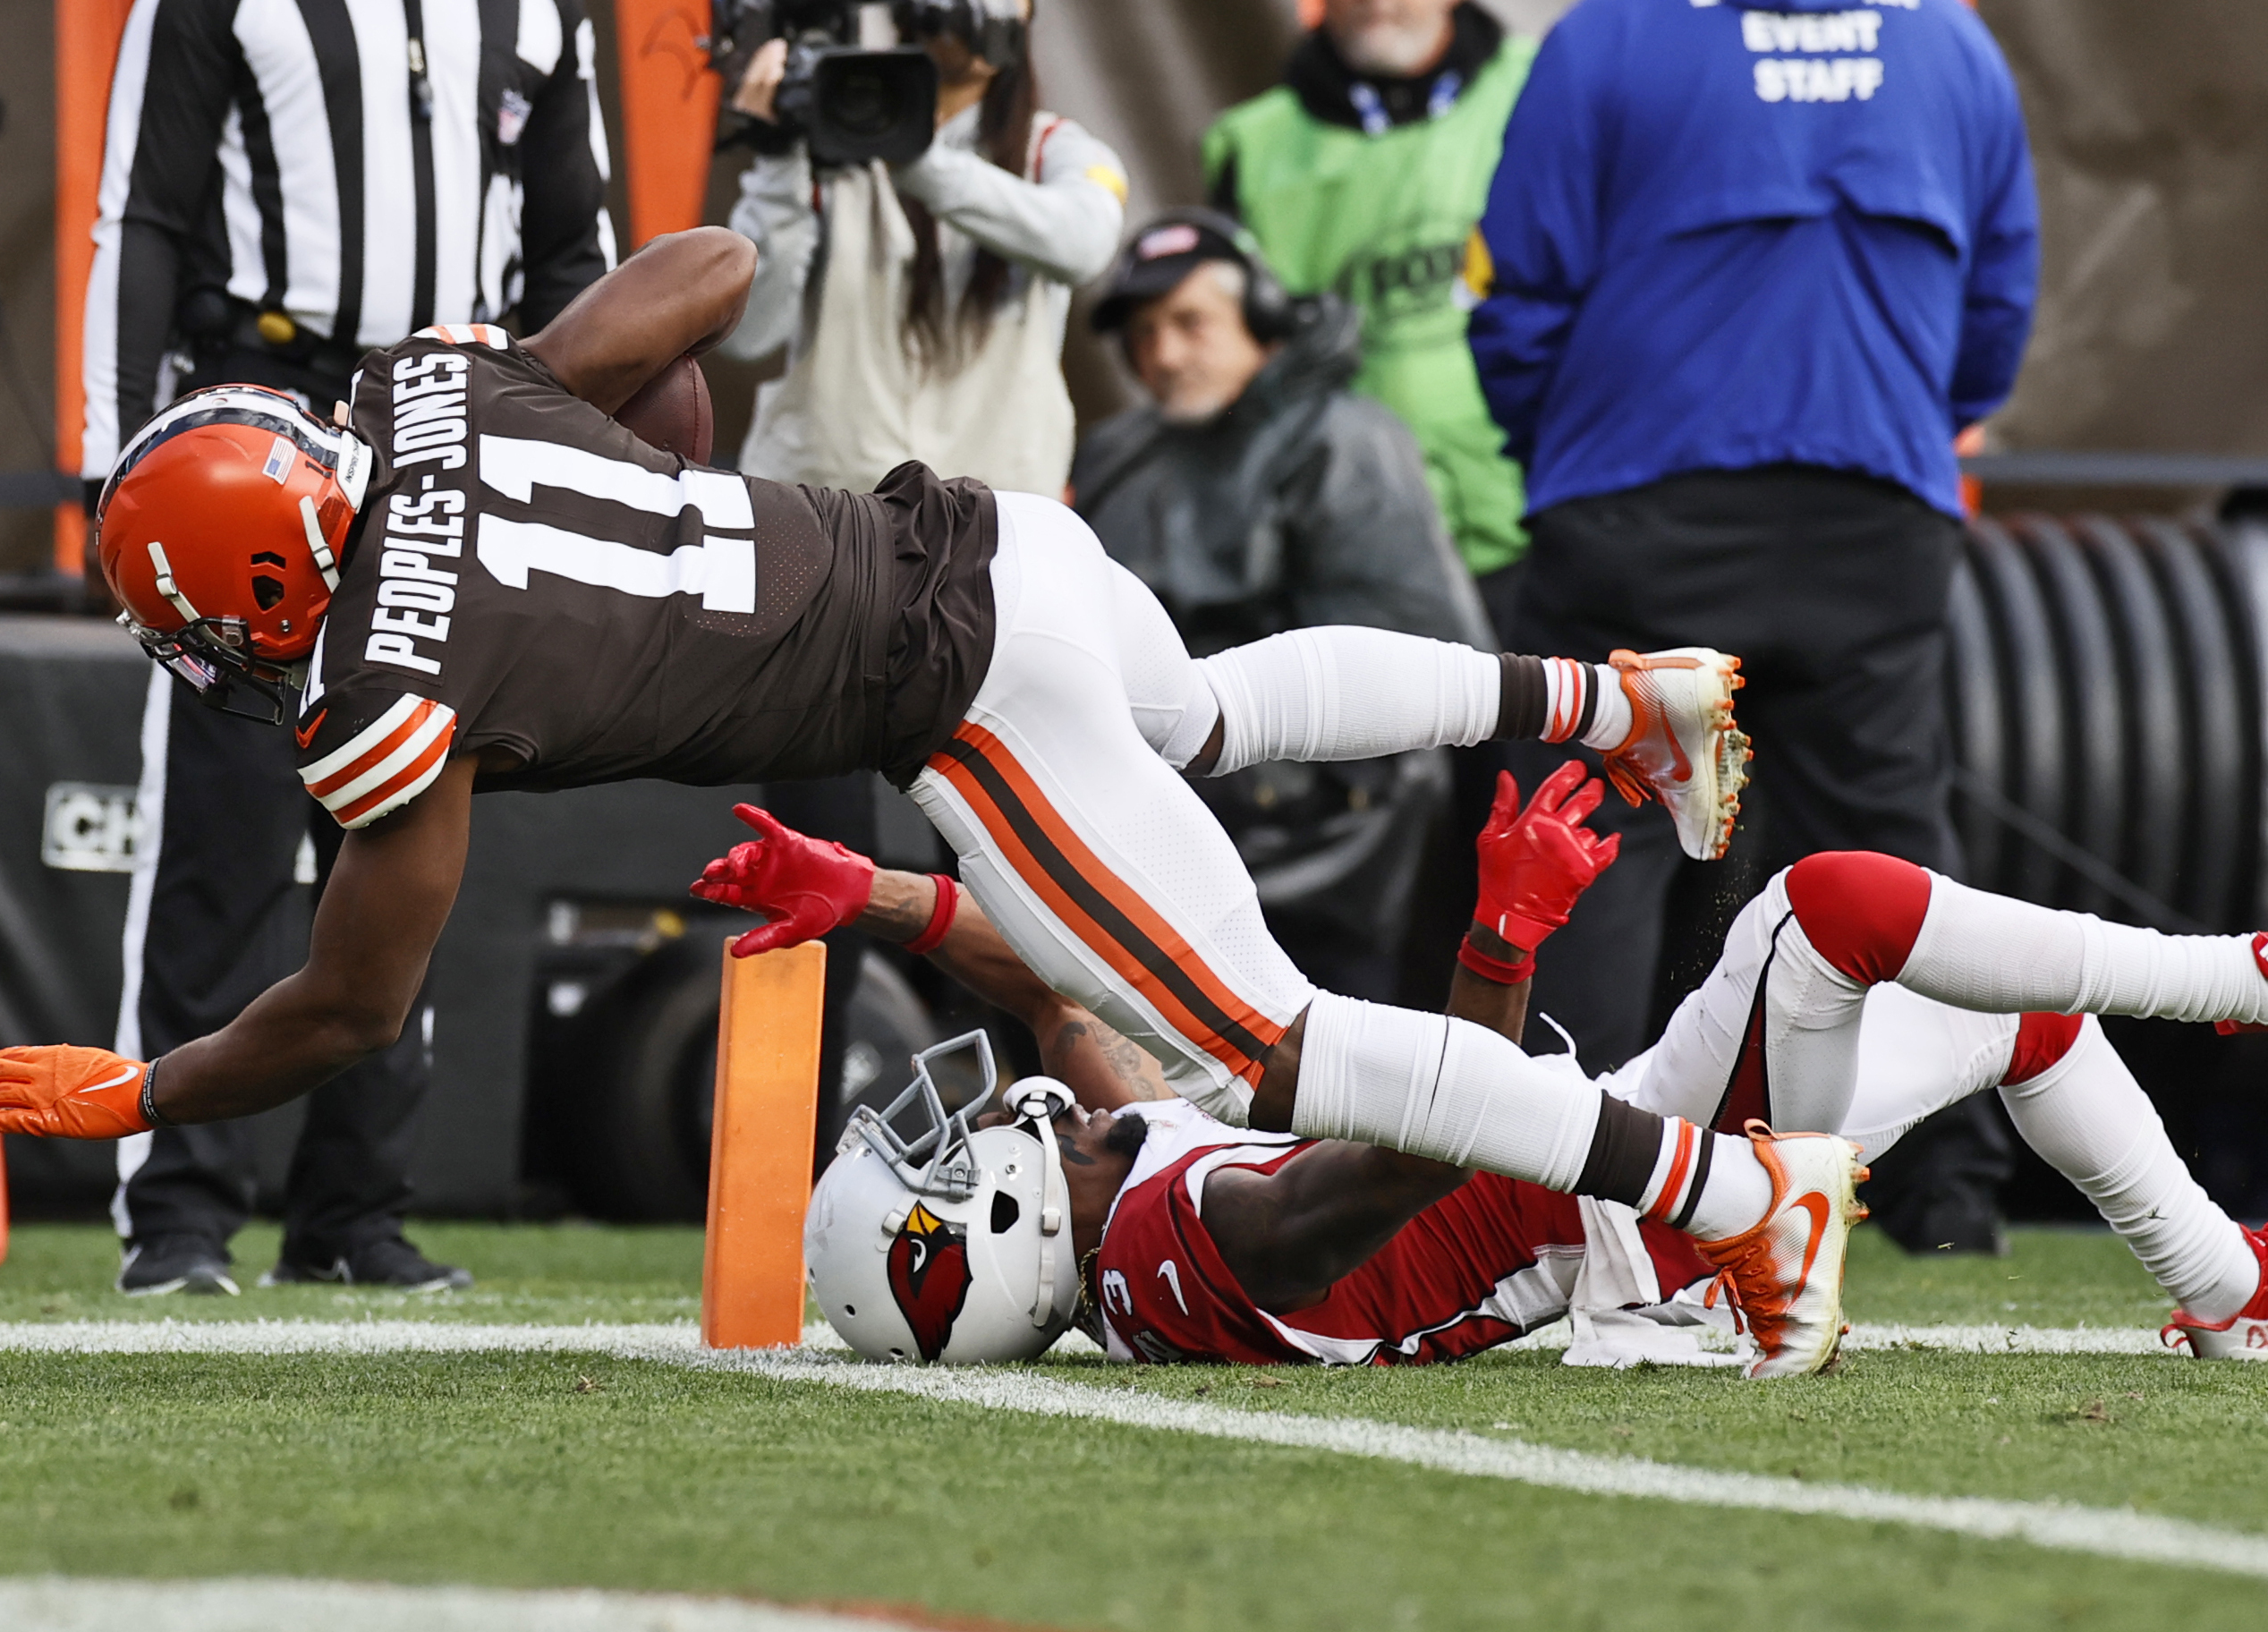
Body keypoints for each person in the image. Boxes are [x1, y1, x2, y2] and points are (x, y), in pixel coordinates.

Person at [0, 225, 1876, 1378]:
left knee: (1263, 1061)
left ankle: (1724, 1195)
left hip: (960, 696)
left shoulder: (385, 691)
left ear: (274, 590)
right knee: (1197, 714)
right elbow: (717, 271)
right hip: (989, 535)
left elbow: (358, 1003)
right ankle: (1618, 704)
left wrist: (150, 1088)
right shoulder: (424, 404)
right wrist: (519, 393)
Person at [714, 791, 2268, 1371]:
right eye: (942, 1154)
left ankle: (2223, 1284)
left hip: (1604, 1146)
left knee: (2018, 1020)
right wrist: (1497, 942)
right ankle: (2232, 977)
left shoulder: (1116, 1187)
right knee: (1828, 905)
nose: (968, 1121)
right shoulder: (1179, 1251)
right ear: (973, 1239)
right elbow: (1420, 1144)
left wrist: (870, 894)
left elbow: (1062, 988)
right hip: (1647, 1225)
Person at [76, 0, 617, 1296]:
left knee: (410, 812)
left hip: (445, 446)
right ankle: (180, 1212)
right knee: (217, 834)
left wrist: (583, 461)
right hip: (253, 428)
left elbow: (574, 254)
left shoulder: (539, 10)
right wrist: (116, 464)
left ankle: (352, 1212)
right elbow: (141, 214)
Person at [1467, 0, 2042, 1076]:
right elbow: (1998, 309)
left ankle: (1553, 1162)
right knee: (1885, 854)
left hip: (1638, 506)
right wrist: (1895, 423)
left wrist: (1582, 447)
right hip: (1874, 513)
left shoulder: (1609, 37)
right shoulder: (1953, 46)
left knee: (1584, 837)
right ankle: (1932, 1196)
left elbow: (1517, 291)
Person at [1072, 209, 1493, 998]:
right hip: (1159, 831)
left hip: (1325, 852)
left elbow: (1417, 666)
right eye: (1142, 333)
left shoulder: (1346, 442)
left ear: (1261, 319)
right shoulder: (1114, 456)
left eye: (1190, 322)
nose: (1162, 354)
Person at [721, 0, 1126, 496]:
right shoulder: (832, 137)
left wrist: (920, 162)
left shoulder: (1052, 149)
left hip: (989, 517)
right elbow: (750, 334)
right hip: (831, 508)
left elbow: (1084, 245)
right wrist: (778, 159)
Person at [1202, 0, 1533, 597]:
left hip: (1555, 522)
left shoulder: (1544, 86)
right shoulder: (1252, 149)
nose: (1378, 4)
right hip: (1370, 553)